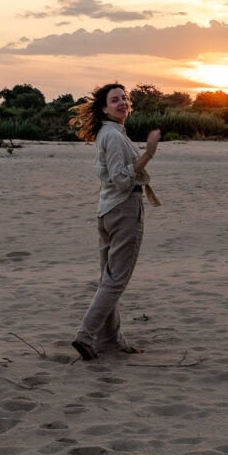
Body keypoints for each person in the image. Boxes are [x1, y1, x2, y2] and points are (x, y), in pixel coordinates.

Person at [69, 83, 161, 361]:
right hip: (123, 209)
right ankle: (86, 335)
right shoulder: (113, 136)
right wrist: (149, 153)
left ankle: (110, 340)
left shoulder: (110, 133)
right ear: (104, 108)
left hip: (107, 210)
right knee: (116, 279)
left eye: (125, 98)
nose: (122, 103)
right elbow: (122, 179)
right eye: (115, 99)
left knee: (108, 278)